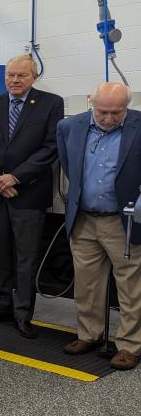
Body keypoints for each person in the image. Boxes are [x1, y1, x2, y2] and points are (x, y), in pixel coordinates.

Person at [0, 54, 63, 338]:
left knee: (26, 257)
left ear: (34, 76)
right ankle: (1, 306)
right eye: (10, 74)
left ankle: (23, 313)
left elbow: (51, 147)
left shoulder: (51, 103)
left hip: (28, 194)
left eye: (21, 75)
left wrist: (16, 177)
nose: (15, 80)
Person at [57, 82, 141, 371]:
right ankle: (89, 334)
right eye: (102, 111)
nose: (108, 118)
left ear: (126, 108)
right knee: (86, 282)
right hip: (84, 219)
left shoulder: (139, 126)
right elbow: (70, 168)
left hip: (124, 221)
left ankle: (129, 345)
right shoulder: (70, 127)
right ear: (91, 102)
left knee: (131, 285)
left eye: (116, 113)